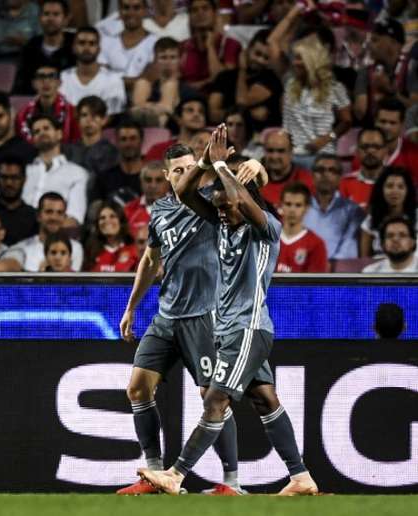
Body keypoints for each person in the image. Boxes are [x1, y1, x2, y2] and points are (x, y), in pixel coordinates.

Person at [138, 125, 318, 496]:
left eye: (224, 202)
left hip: (247, 329)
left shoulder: (266, 228)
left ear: (243, 200)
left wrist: (227, 168)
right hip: (230, 329)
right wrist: (208, 161)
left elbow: (246, 196)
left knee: (215, 400)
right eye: (217, 204)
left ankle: (176, 474)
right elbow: (186, 192)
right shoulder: (224, 224)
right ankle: (301, 477)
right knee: (264, 397)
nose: (219, 209)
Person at [116, 141, 267, 496]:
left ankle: (232, 483)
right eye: (179, 171)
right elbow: (151, 262)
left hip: (206, 315)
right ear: (167, 176)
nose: (187, 174)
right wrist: (131, 306)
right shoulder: (161, 211)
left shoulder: (213, 201)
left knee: (212, 396)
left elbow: (256, 180)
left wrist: (257, 164)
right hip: (167, 315)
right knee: (137, 387)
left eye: (190, 167)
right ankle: (153, 473)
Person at [281, 35, 352, 170]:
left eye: (299, 58)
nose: (294, 63)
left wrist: (326, 139)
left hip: (322, 156)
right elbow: (287, 123)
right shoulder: (290, 85)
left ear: (311, 60)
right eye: (294, 58)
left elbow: (347, 121)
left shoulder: (335, 88)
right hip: (293, 155)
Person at [208, 29, 282, 130]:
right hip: (224, 134)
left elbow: (242, 101)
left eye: (266, 58)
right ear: (248, 49)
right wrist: (249, 113)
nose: (260, 60)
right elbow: (212, 114)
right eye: (257, 54)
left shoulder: (271, 80)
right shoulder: (225, 76)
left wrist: (242, 69)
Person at [23, 114, 88, 226]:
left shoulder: (77, 173)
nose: (42, 133)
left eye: (46, 128)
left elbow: (74, 219)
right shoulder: (24, 172)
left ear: (59, 134)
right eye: (36, 131)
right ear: (33, 140)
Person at [304, 154, 364, 261]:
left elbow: (348, 250)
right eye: (320, 170)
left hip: (337, 273)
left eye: (332, 170)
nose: (325, 174)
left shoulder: (352, 210)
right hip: (302, 270)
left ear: (340, 177)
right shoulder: (300, 206)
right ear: (312, 175)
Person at [131, 37, 197, 128]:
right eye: (163, 57)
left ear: (180, 60)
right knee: (142, 83)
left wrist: (149, 107)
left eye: (173, 57)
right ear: (155, 60)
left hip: (173, 131)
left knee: (170, 85)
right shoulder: (147, 87)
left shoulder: (188, 91)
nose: (168, 62)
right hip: (141, 128)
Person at [12, 0, 75, 95]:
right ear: (40, 18)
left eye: (56, 14)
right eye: (46, 14)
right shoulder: (30, 47)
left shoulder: (75, 44)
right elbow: (21, 85)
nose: (50, 18)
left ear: (66, 19)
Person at [60, 26, 126, 116]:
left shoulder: (113, 80)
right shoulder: (62, 78)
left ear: (99, 49)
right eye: (81, 43)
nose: (87, 48)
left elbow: (111, 116)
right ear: (73, 48)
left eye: (92, 43)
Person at [11, 192, 84, 271]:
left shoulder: (75, 248)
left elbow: (73, 281)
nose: (54, 218)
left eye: (59, 213)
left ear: (64, 217)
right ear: (38, 216)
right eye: (49, 212)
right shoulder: (22, 249)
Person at [179, 0, 240, 90]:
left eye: (205, 8)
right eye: (194, 10)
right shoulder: (183, 46)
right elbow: (172, 79)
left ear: (215, 14)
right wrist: (208, 81)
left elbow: (224, 81)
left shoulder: (230, 44)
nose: (200, 13)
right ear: (189, 17)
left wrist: (210, 47)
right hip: (186, 97)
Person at [98, 0, 157, 90]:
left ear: (145, 11)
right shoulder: (106, 41)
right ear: (120, 11)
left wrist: (112, 79)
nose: (131, 12)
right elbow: (100, 78)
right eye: (126, 8)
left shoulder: (156, 42)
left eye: (136, 8)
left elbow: (146, 80)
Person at [15, 64, 80, 145]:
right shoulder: (22, 115)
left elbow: (76, 144)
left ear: (59, 83)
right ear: (34, 83)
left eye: (51, 76)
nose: (46, 81)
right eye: (41, 77)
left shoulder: (72, 112)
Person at [360, 167, 417, 258]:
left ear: (408, 191)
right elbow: (364, 259)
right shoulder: (370, 221)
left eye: (400, 187)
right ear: (381, 190)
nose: (395, 191)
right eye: (389, 186)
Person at [276, 182, 328, 273]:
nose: (292, 210)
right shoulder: (269, 237)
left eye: (298, 205)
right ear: (281, 205)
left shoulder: (316, 244)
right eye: (288, 204)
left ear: (306, 208)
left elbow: (315, 283)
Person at [63, 95, 118, 178]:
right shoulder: (67, 150)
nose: (88, 120)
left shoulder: (112, 152)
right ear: (78, 119)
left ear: (104, 120)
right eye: (84, 115)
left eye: (94, 115)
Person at [258, 129, 314, 210]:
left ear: (291, 152)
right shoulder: (256, 182)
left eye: (281, 151)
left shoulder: (307, 181)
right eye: (270, 151)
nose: (275, 157)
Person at [93, 119, 144, 203]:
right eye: (123, 139)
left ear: (141, 141)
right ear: (117, 142)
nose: (128, 144)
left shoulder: (153, 179)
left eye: (133, 138)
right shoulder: (103, 178)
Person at [339, 127, 389, 210]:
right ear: (357, 150)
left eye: (376, 147)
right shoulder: (344, 183)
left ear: (385, 150)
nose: (370, 151)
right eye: (365, 146)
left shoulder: (397, 183)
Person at [84, 201, 138, 272]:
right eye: (102, 218)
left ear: (121, 221)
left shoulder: (134, 249)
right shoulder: (91, 251)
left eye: (112, 216)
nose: (107, 221)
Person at [123, 161, 169, 234]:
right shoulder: (128, 210)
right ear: (141, 183)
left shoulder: (179, 209)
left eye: (159, 180)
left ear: (168, 183)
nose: (153, 186)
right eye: (148, 180)